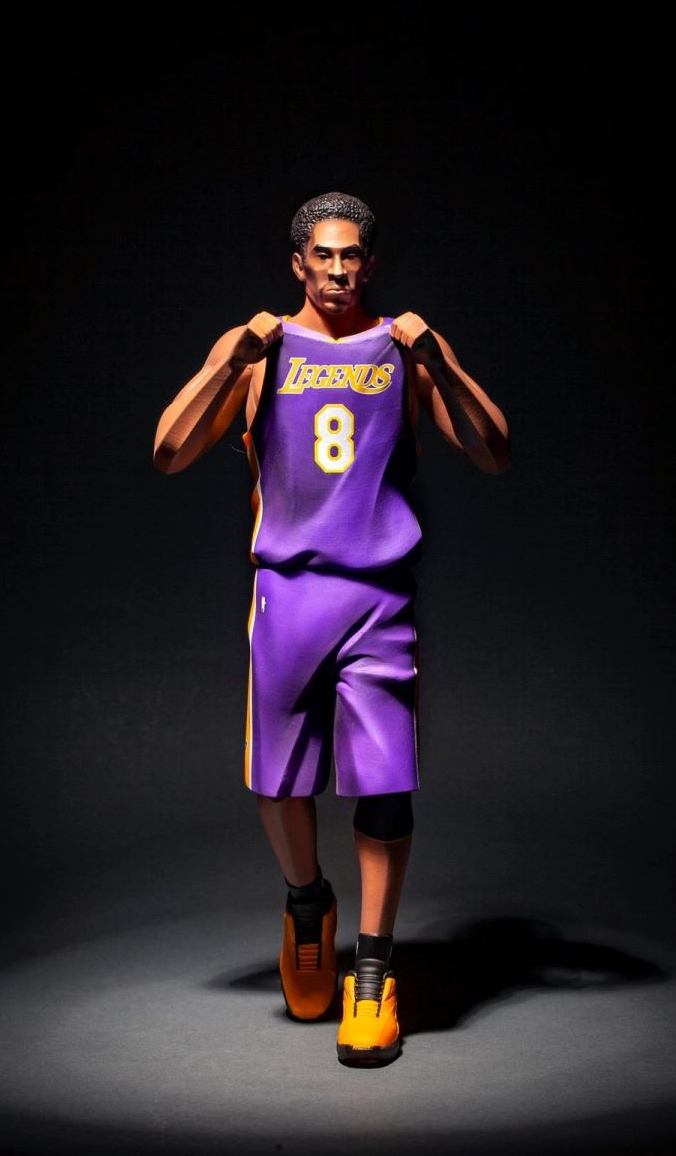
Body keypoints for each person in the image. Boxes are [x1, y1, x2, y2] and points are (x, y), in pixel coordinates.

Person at [153, 191, 510, 1065]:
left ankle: (374, 972)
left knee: (385, 782)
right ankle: (308, 902)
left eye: (353, 256)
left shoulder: (402, 348)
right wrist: (231, 362)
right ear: (299, 263)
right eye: (325, 255)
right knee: (281, 780)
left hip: (379, 596)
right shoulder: (263, 348)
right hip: (287, 593)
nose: (340, 269)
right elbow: (169, 449)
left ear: (370, 264)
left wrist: (440, 364)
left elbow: (493, 448)